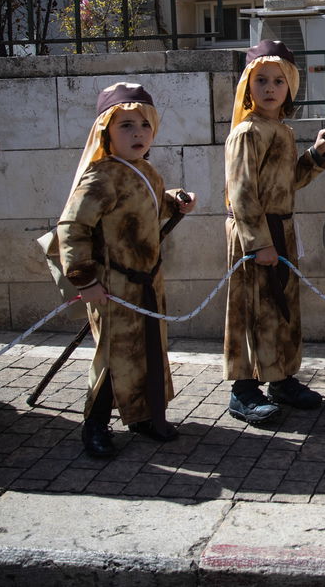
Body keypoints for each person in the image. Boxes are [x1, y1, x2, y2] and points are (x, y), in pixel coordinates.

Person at [56, 83, 197, 458]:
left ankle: (143, 416)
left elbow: (147, 207)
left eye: (144, 126)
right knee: (114, 355)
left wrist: (174, 201)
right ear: (106, 131)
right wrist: (85, 280)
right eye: (126, 126)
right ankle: (95, 425)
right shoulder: (100, 176)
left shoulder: (146, 171)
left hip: (148, 282)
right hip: (112, 285)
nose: (138, 134)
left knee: (147, 350)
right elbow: (72, 228)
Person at [223, 41, 325, 423]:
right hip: (256, 235)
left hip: (281, 231)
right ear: (248, 87)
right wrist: (259, 244)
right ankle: (243, 388)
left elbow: (288, 183)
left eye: (279, 81)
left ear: (290, 87)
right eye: (261, 81)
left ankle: (281, 378)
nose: (270, 88)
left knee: (282, 308)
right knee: (252, 309)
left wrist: (316, 155)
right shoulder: (246, 133)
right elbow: (241, 193)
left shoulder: (282, 131)